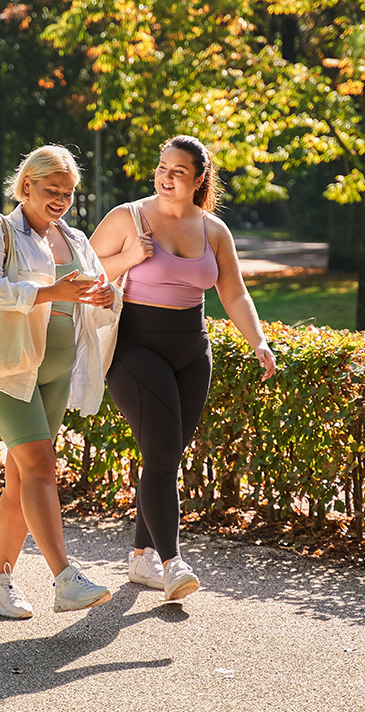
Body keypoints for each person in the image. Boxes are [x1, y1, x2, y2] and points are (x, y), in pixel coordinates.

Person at [89, 135, 277, 601]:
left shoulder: (214, 230)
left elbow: (234, 292)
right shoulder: (127, 217)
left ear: (198, 179)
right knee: (160, 453)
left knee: (166, 455)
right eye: (162, 167)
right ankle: (172, 563)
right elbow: (83, 268)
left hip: (193, 351)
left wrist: (258, 339)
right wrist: (129, 257)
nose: (166, 176)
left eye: (178, 171)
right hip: (135, 345)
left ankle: (140, 558)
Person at [0, 145, 123, 618]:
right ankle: (65, 578)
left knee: (21, 479)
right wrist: (52, 291)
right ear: (27, 185)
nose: (60, 199)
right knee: (39, 465)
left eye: (68, 192)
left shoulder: (74, 238)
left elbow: (102, 291)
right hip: (7, 368)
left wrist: (106, 295)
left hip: (56, 368)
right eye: (52, 190)